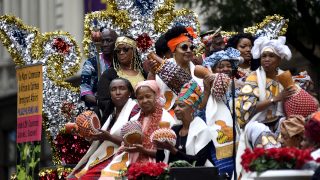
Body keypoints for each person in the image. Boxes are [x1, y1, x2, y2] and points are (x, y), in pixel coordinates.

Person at [235, 36, 295, 179]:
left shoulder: (285, 76)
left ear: (279, 59)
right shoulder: (253, 76)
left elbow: (295, 103)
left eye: (271, 56)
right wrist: (276, 99)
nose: (266, 59)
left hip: (279, 122)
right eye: (264, 56)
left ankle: (289, 168)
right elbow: (245, 111)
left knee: (287, 125)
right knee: (260, 129)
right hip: (255, 124)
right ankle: (275, 169)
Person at [98, 80, 175, 179]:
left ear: (156, 95)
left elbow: (168, 153)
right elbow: (127, 143)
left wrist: (143, 150)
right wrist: (126, 147)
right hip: (132, 161)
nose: (144, 101)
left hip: (158, 163)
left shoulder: (166, 119)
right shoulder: (135, 119)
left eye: (148, 96)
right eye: (140, 98)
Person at [67, 78, 138, 179]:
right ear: (110, 94)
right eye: (113, 89)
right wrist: (83, 133)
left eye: (122, 89)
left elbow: (133, 142)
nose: (117, 92)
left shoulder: (135, 109)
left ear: (130, 93)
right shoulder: (110, 112)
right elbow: (98, 143)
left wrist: (109, 137)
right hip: (104, 155)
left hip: (123, 156)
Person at [200, 47, 243, 175]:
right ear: (212, 71)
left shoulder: (240, 86)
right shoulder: (203, 88)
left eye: (229, 66)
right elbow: (199, 114)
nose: (225, 69)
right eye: (220, 66)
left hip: (239, 137)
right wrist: (207, 90)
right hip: (214, 139)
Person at [154, 81, 214, 167]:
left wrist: (173, 150)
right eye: (175, 106)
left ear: (191, 109)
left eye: (181, 106)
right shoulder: (174, 129)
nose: (176, 109)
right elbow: (160, 161)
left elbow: (200, 161)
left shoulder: (202, 130)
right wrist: (160, 147)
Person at [147, 26, 203, 112]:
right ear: (174, 50)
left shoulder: (199, 70)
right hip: (168, 114)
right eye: (184, 47)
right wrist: (152, 73)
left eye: (191, 48)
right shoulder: (162, 68)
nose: (189, 51)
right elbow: (150, 92)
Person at [97, 36, 148, 114]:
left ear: (134, 51)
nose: (121, 53)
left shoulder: (144, 74)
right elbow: (102, 101)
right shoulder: (109, 74)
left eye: (125, 49)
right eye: (118, 50)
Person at [80, 29, 118, 114]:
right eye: (102, 41)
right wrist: (102, 102)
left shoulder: (122, 61)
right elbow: (85, 92)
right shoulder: (91, 63)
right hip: (98, 110)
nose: (104, 44)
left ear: (116, 42)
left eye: (109, 41)